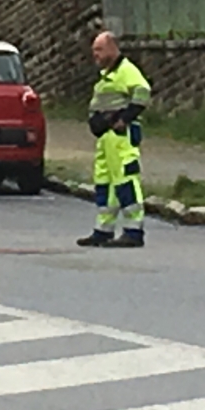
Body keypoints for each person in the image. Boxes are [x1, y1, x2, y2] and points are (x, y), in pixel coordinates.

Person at [77, 31, 151, 249]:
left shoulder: (125, 70)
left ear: (112, 48)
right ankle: (103, 230)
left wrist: (124, 119)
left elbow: (142, 92)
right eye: (94, 51)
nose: (95, 55)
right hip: (106, 139)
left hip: (121, 138)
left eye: (99, 50)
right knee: (105, 185)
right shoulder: (107, 74)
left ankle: (133, 231)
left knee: (126, 182)